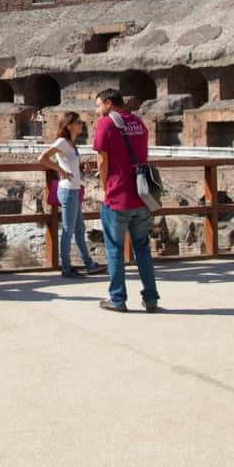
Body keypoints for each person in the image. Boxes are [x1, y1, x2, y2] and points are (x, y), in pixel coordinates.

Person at [92, 88, 159, 312]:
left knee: (114, 249)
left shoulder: (106, 124)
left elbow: (102, 160)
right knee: (142, 249)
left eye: (98, 105)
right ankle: (151, 298)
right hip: (141, 196)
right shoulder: (139, 123)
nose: (96, 110)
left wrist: (105, 187)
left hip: (118, 196)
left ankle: (117, 299)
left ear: (109, 104)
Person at [38, 112, 104, 278]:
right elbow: (42, 158)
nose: (82, 124)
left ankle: (89, 265)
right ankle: (66, 269)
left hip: (74, 190)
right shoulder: (62, 141)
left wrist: (82, 166)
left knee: (79, 229)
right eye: (79, 122)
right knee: (68, 230)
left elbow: (68, 162)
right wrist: (59, 170)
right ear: (69, 125)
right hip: (68, 191)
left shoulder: (71, 143)